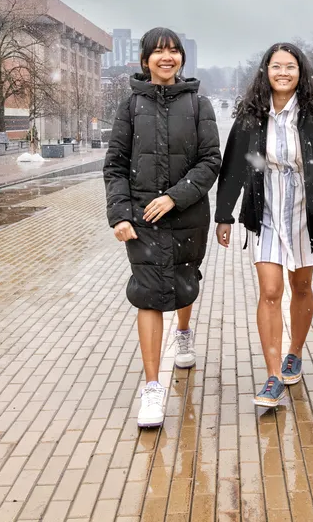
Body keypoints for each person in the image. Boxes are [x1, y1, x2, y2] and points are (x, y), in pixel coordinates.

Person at [216, 43, 313, 408]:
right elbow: (233, 169)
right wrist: (224, 215)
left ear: (300, 73)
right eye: (276, 66)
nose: (283, 73)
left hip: (305, 214)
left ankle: (295, 351)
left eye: (291, 67)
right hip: (266, 213)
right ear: (266, 71)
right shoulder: (250, 115)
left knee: (301, 285)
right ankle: (273, 375)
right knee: (270, 291)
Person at [103, 27, 221, 428]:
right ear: (144, 60)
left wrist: (175, 196)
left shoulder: (200, 105)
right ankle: (152, 387)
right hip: (142, 218)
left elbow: (210, 161)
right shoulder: (129, 107)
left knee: (185, 279)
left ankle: (183, 333)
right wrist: (120, 214)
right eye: (158, 51)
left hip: (187, 213)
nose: (166, 57)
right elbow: (115, 165)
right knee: (148, 293)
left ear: (182, 58)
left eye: (173, 51)